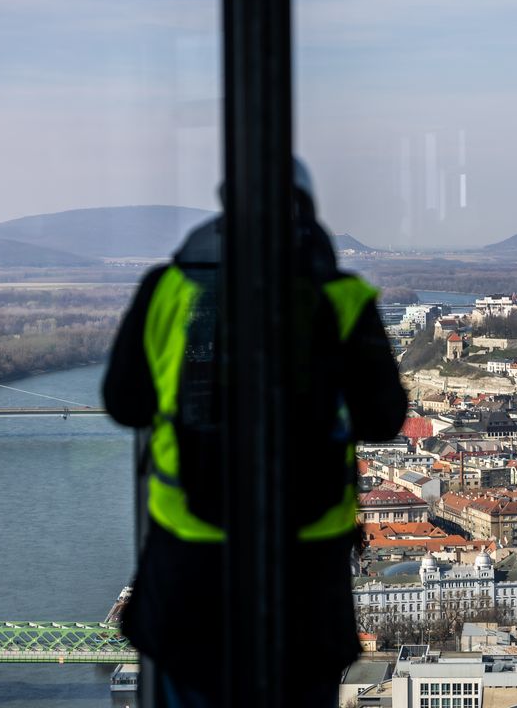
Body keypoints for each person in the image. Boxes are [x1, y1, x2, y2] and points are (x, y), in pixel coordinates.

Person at [103, 161, 407, 706]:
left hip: (190, 553)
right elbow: (383, 418)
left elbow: (124, 403)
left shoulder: (168, 288)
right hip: (306, 564)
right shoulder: (343, 297)